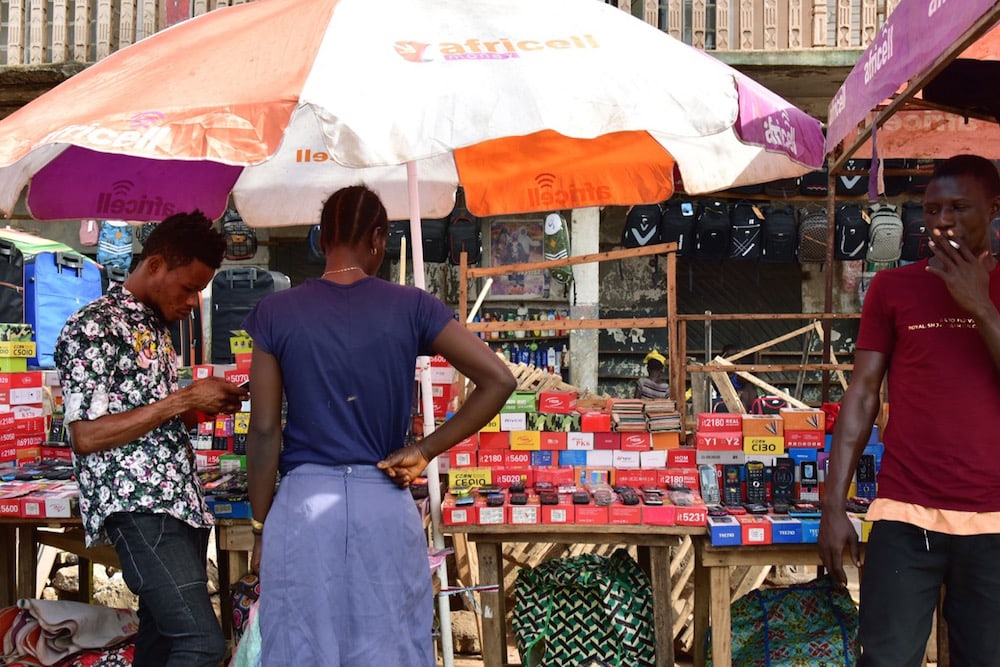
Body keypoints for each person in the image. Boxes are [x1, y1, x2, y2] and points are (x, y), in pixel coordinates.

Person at [243, 185, 516, 665]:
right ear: (378, 238)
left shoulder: (274, 312)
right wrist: (426, 450)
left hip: (303, 509)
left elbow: (265, 431)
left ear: (321, 239)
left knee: (300, 649)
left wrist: (261, 524)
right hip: (383, 501)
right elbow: (498, 379)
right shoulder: (413, 306)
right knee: (390, 647)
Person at [818, 155, 1000, 667]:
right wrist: (834, 506)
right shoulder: (894, 288)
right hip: (905, 515)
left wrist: (981, 305)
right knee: (885, 658)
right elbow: (861, 394)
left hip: (993, 523)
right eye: (932, 209)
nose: (941, 221)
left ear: (993, 209)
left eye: (959, 208)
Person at [54, 211, 248, 667]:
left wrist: (197, 409)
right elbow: (84, 435)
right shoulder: (93, 327)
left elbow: (147, 421)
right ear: (156, 265)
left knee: (162, 643)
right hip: (140, 509)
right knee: (201, 642)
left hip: (178, 503)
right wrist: (179, 402)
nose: (192, 301)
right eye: (187, 288)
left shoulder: (154, 326)